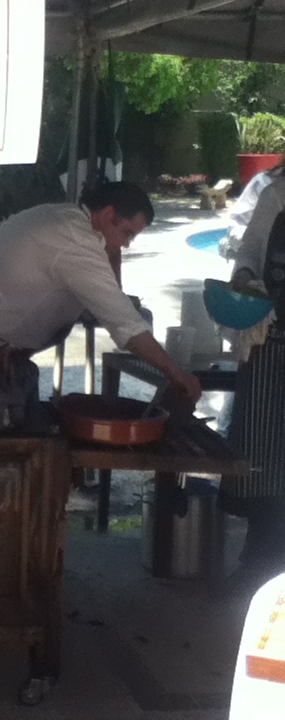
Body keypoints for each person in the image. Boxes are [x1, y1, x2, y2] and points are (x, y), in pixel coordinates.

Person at [0, 181, 202, 417]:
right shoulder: (76, 241)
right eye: (127, 233)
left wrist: (113, 250)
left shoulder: (64, 218)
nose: (126, 244)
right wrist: (174, 372)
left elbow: (110, 295)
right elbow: (125, 323)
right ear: (108, 215)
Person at [221, 170, 285, 584]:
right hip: (272, 338)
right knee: (263, 455)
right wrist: (245, 278)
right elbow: (248, 253)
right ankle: (261, 561)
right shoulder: (277, 195)